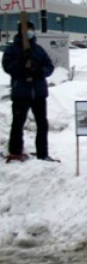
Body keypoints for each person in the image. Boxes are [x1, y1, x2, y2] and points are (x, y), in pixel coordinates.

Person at [2, 21, 55, 162]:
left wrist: (39, 71)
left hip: (38, 92)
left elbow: (49, 67)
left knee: (42, 123)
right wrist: (21, 62)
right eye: (27, 30)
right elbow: (8, 67)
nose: (30, 33)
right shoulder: (12, 49)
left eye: (31, 30)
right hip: (21, 92)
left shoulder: (38, 49)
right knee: (18, 122)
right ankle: (15, 151)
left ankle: (42, 153)